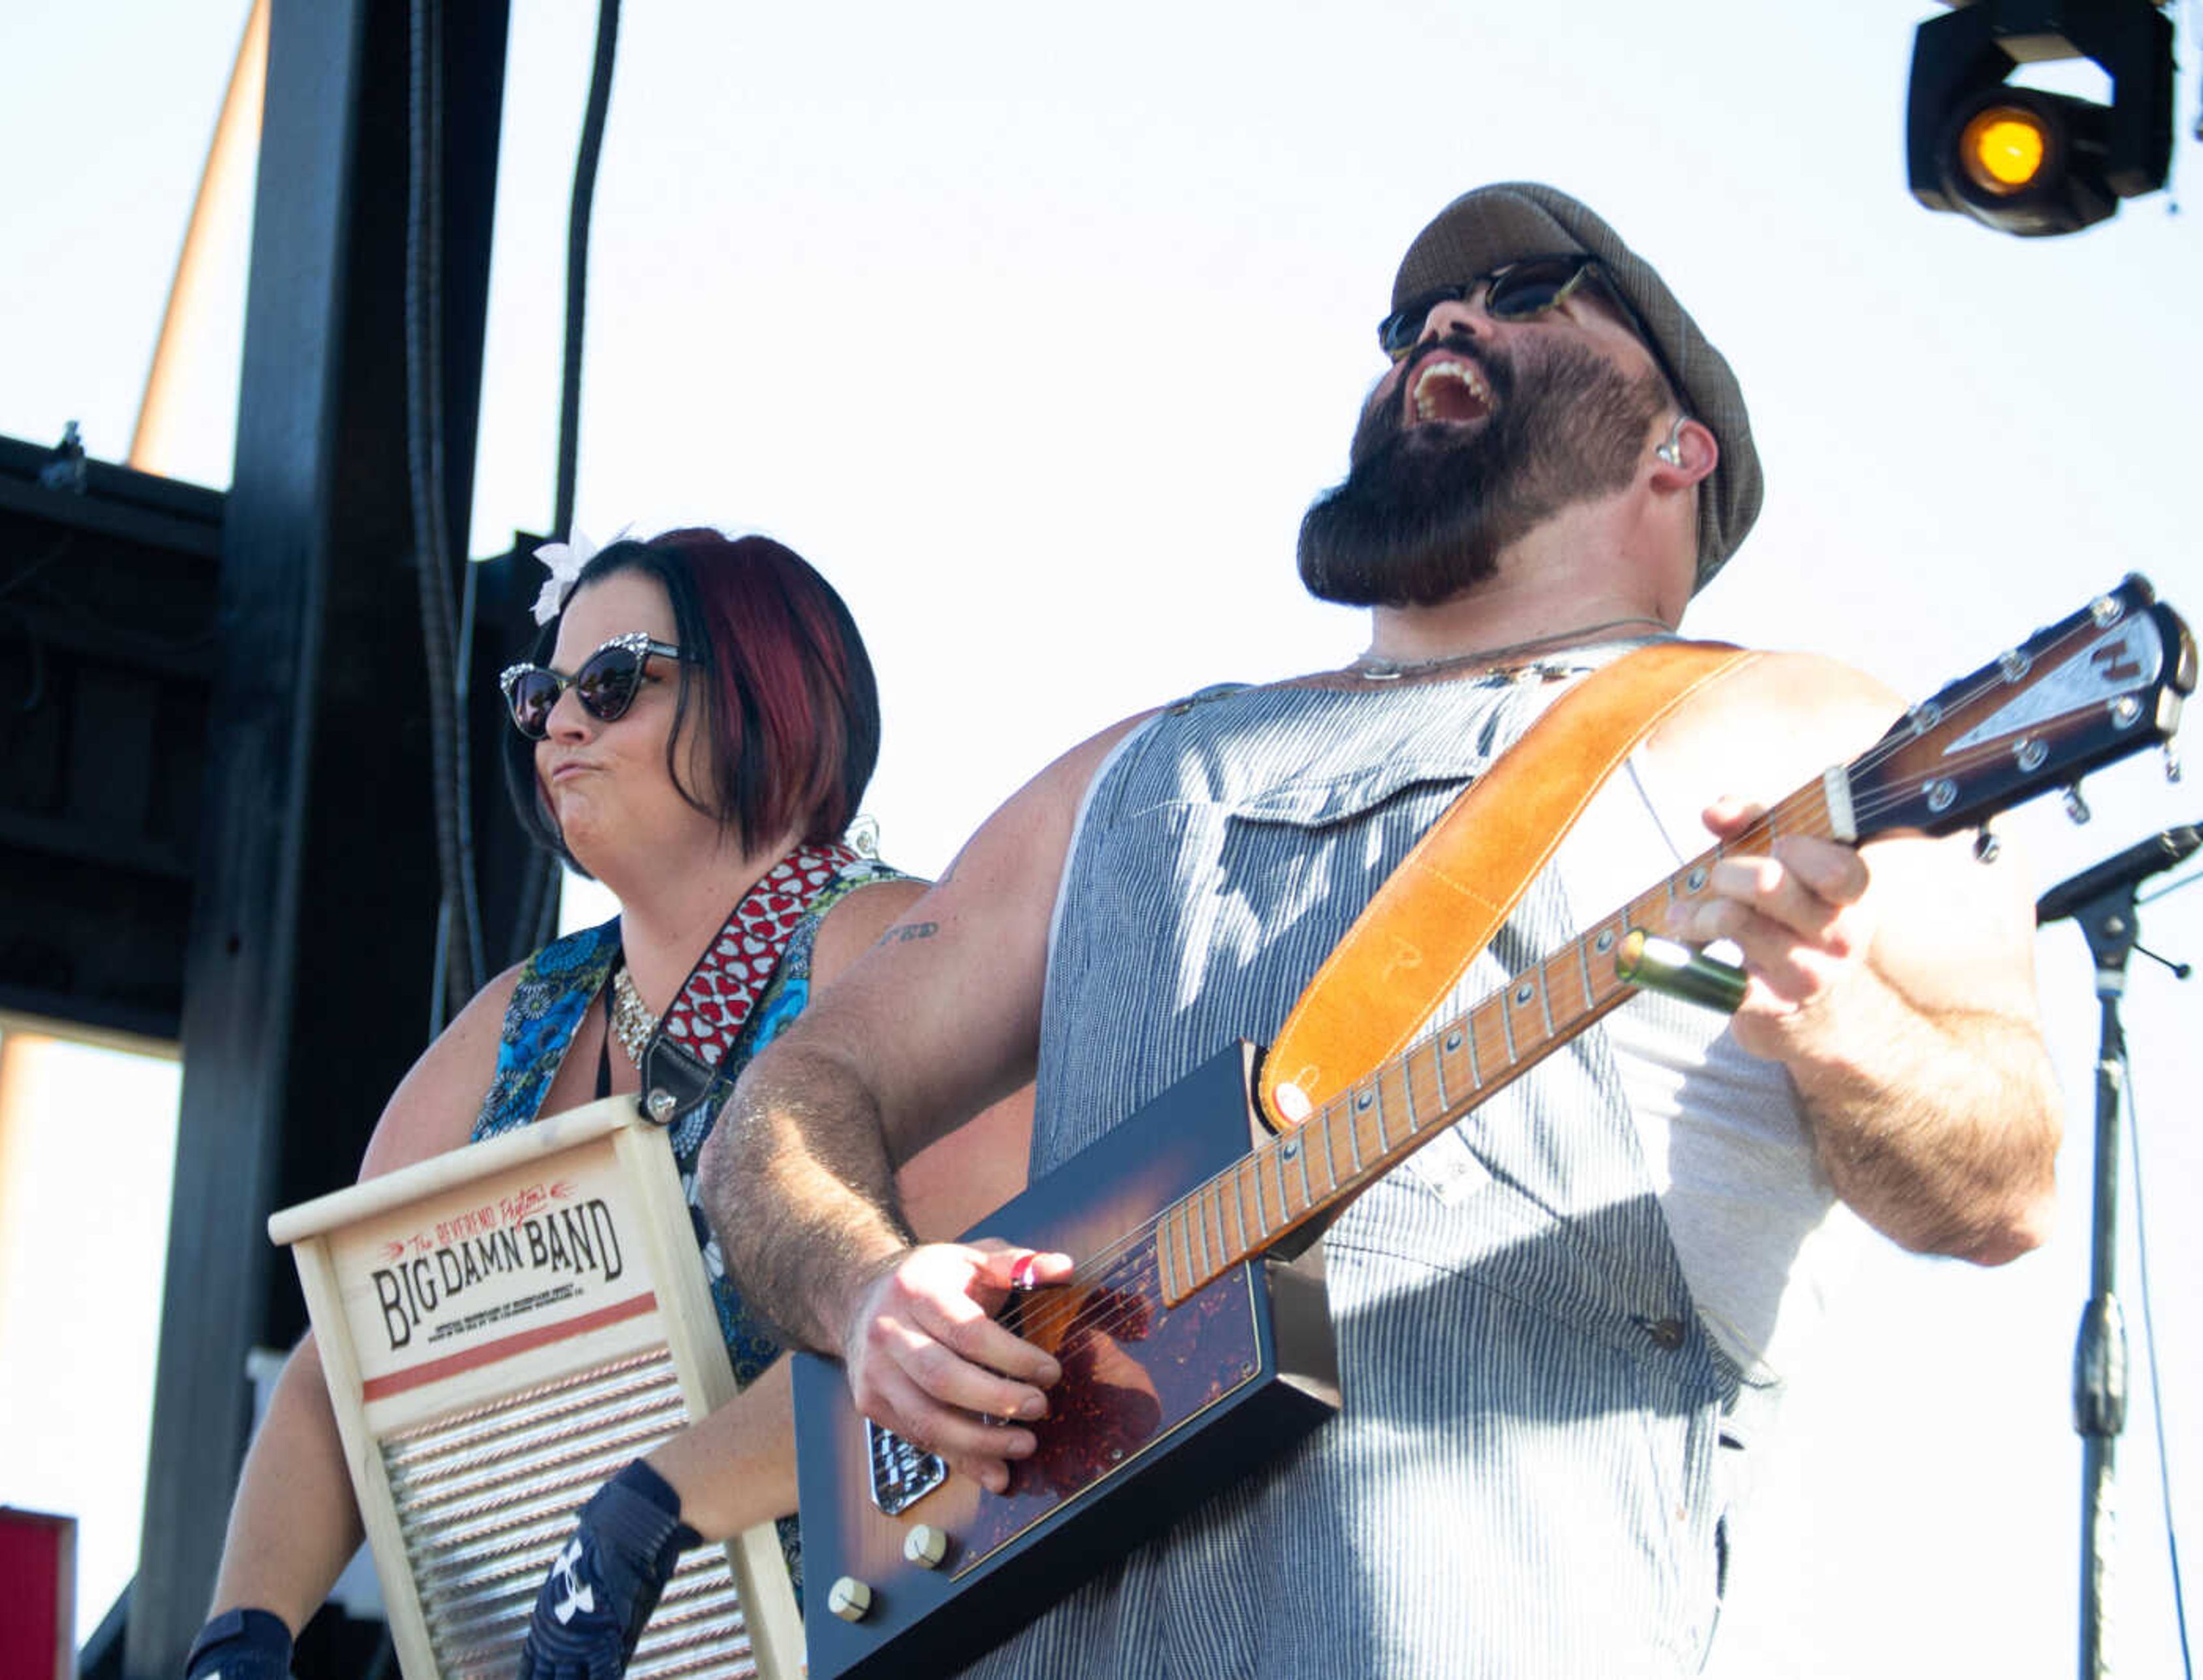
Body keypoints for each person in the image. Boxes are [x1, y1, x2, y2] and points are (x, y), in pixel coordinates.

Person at [696, 183, 2066, 1677]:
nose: (1447, 319)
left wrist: (1840, 1015)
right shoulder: (1126, 770)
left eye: (1535, 292)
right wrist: (865, 1287)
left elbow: (2002, 1181)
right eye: (1409, 320)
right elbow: (788, 1102)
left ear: (1681, 451)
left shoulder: (1798, 724)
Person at [183, 529, 1028, 1680]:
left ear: (764, 689)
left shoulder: (883, 948)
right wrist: (242, 1635)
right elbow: (342, 1367)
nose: (558, 725)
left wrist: (654, 1506)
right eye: (539, 695)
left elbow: (970, 1313)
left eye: (612, 683)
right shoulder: (518, 1021)